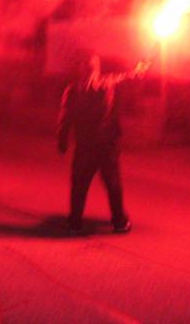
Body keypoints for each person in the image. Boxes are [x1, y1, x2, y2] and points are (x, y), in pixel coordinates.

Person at [57, 52, 149, 235]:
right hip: (106, 145)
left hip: (87, 145)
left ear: (82, 70)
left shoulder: (73, 89)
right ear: (96, 68)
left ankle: (75, 221)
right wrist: (143, 65)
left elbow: (65, 118)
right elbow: (133, 77)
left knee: (80, 184)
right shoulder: (109, 82)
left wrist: (62, 139)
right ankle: (119, 222)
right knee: (112, 184)